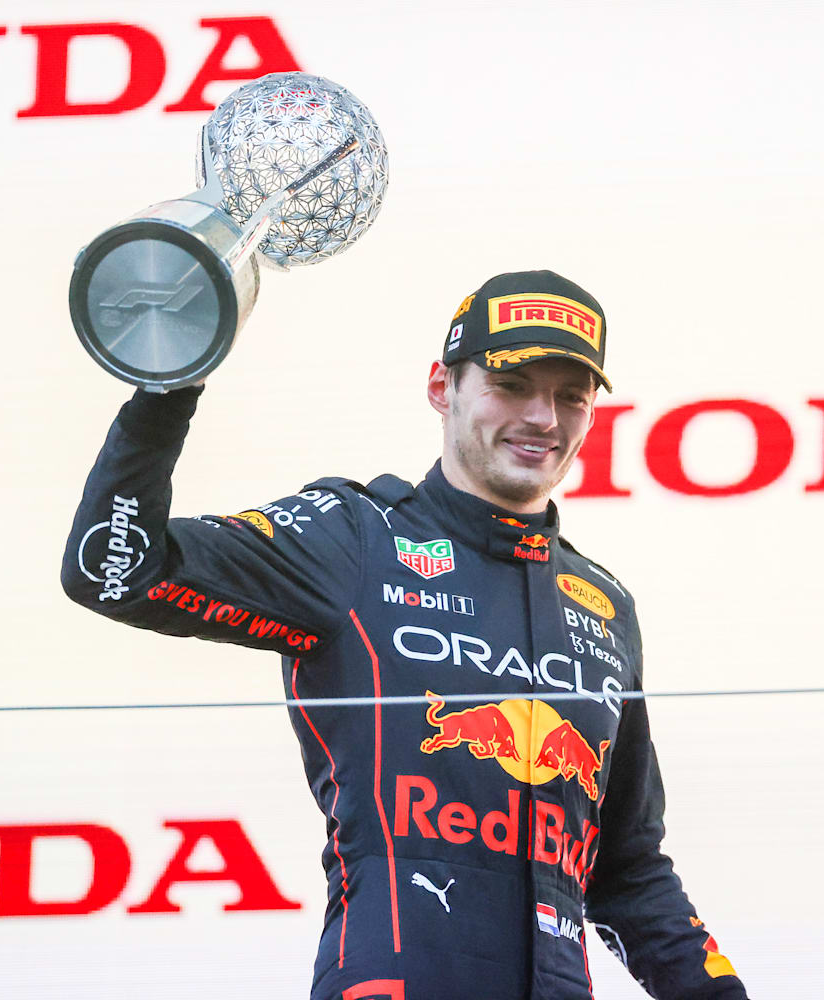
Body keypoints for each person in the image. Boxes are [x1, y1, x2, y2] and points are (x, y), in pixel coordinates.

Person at [61, 270, 748, 1000]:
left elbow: (627, 873)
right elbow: (114, 569)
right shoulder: (354, 539)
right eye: (513, 385)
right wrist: (170, 384)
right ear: (440, 387)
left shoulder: (606, 606)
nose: (544, 417)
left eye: (570, 396)